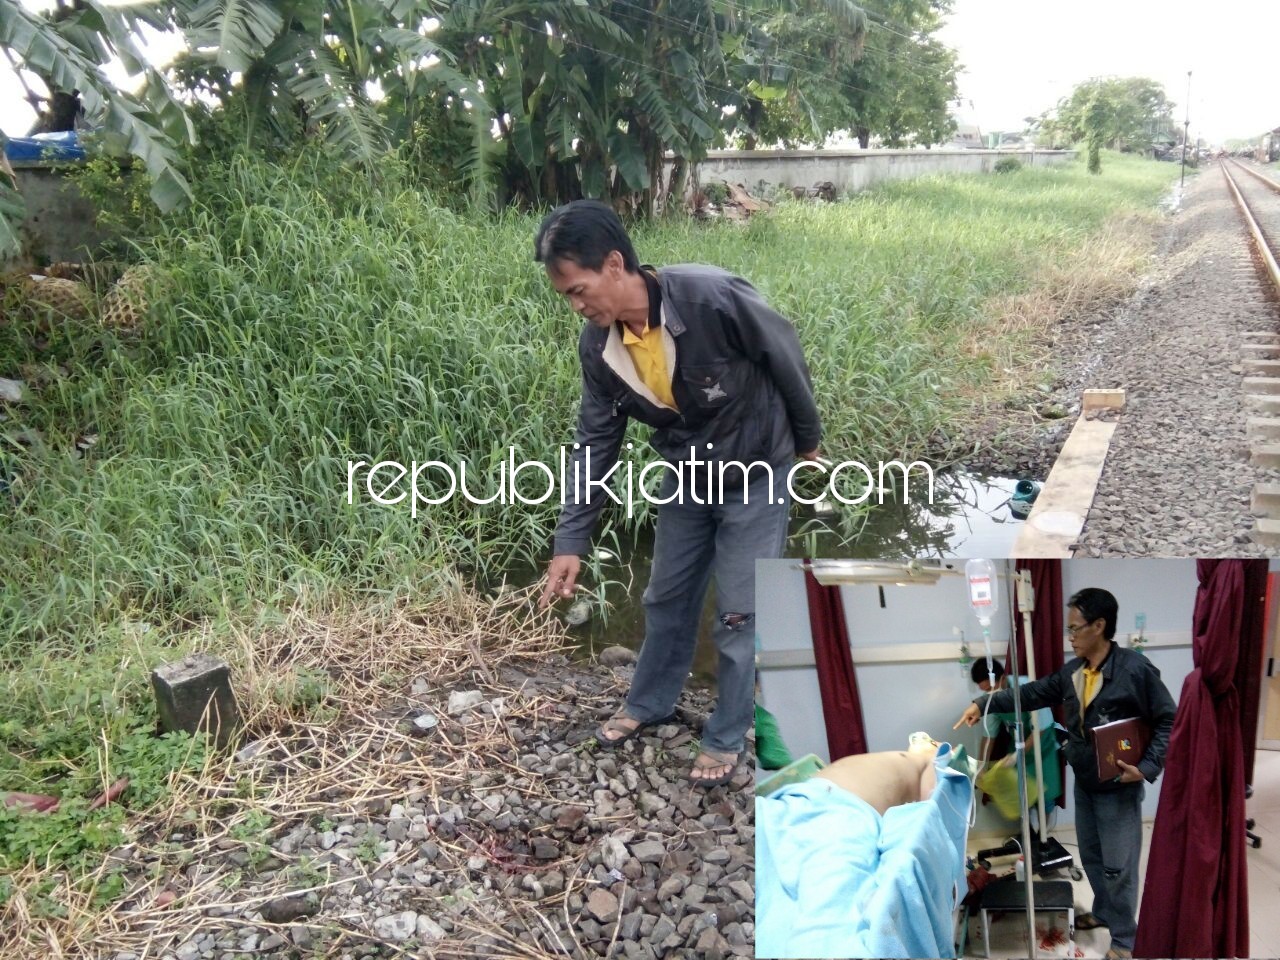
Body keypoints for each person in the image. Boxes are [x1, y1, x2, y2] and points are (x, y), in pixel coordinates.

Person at [533, 200, 821, 788]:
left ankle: (726, 732)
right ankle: (650, 702)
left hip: (758, 469)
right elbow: (595, 440)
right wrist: (571, 541)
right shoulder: (600, 348)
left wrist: (808, 437)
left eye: (579, 289)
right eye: (567, 296)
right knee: (666, 596)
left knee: (740, 611)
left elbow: (782, 352)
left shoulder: (708, 296)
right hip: (690, 472)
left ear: (616, 264)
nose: (577, 305)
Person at [955, 588, 1177, 960]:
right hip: (1087, 781)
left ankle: (1125, 938)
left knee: (1118, 866)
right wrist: (983, 702)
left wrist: (1147, 767)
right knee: (1091, 857)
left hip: (1119, 785)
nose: (1070, 637)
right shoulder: (1073, 671)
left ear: (1100, 626)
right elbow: (1031, 693)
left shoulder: (1135, 671)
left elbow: (1168, 719)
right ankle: (1105, 913)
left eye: (1075, 629)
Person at [968, 658, 1063, 813]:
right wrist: (981, 765)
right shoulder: (992, 700)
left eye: (992, 688)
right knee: (1021, 794)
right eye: (985, 691)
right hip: (1018, 743)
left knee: (1044, 795)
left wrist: (1016, 756)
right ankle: (1029, 833)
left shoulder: (1027, 687)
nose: (989, 695)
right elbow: (989, 736)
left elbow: (1040, 729)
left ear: (1003, 678)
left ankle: (1043, 834)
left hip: (1042, 744)